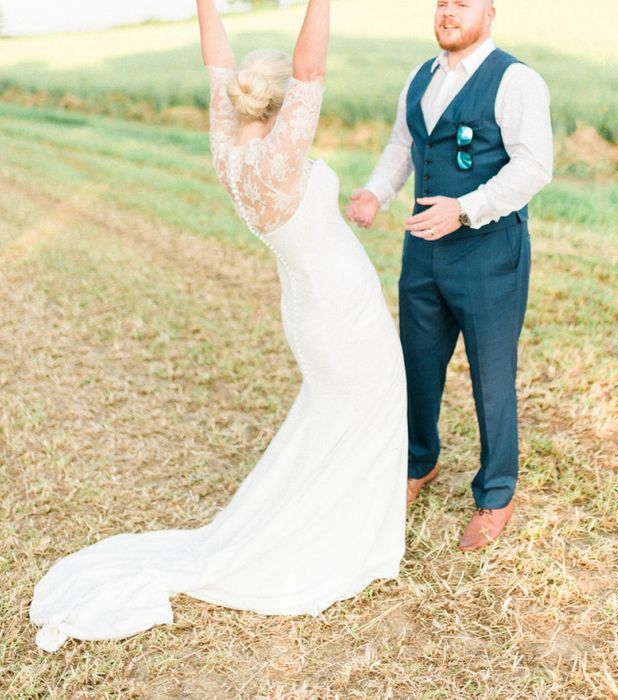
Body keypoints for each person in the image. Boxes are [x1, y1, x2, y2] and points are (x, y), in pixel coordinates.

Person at [29, 0, 408, 652]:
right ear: (282, 102)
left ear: (240, 101)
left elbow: (216, 63)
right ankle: (349, 545)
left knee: (333, 419)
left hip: (304, 308)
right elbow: (311, 65)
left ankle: (335, 525)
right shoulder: (281, 157)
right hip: (342, 305)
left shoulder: (229, 151)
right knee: (369, 415)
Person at [347, 0, 552, 552]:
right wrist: (377, 191)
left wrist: (464, 209)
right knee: (416, 364)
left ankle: (496, 493)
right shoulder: (420, 76)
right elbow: (403, 146)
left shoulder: (516, 80)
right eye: (441, 3)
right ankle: (420, 460)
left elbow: (534, 165)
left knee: (491, 378)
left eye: (461, 3)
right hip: (423, 252)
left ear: (489, 12)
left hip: (489, 252)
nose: (447, 11)